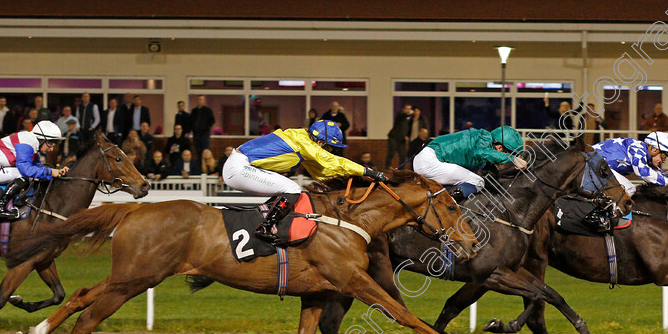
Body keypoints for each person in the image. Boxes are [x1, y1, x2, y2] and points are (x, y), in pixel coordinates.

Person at [222, 120, 382, 243]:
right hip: (239, 168)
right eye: (329, 147)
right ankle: (265, 227)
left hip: (239, 165)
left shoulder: (302, 141)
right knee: (292, 188)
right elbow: (332, 161)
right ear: (320, 142)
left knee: (288, 188)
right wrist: (367, 171)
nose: (330, 150)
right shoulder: (303, 143)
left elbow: (321, 174)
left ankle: (266, 222)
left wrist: (350, 177)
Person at [412, 125, 527, 201]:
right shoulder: (483, 142)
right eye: (506, 152)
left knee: (473, 178)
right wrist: (513, 158)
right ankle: (447, 204)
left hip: (428, 159)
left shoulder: (483, 139)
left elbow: (493, 173)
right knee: (477, 181)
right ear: (500, 147)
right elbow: (482, 152)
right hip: (430, 162)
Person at [0, 120, 69, 220]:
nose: (51, 149)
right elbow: (25, 170)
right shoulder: (26, 142)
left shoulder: (33, 144)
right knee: (21, 174)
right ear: (41, 139)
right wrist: (50, 172)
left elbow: (39, 168)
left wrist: (57, 172)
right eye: (50, 143)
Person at [593, 131, 668, 196]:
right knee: (629, 188)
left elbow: (660, 174)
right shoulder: (637, 149)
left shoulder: (644, 153)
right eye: (664, 156)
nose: (664, 161)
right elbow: (643, 172)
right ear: (654, 150)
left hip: (598, 167)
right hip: (593, 165)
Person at [385, 103, 413, 169]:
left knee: (403, 155)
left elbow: (409, 128)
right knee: (391, 154)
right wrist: (409, 113)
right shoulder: (400, 115)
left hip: (402, 139)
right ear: (404, 109)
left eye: (409, 109)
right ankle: (387, 169)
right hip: (394, 138)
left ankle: (401, 170)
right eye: (407, 109)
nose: (408, 110)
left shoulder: (410, 118)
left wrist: (407, 136)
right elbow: (403, 115)